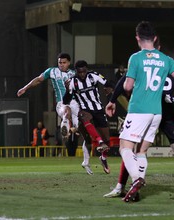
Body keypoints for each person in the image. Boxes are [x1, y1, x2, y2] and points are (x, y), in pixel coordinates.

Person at [106, 22, 174, 202]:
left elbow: (127, 85)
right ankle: (135, 189)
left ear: (137, 38)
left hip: (138, 110)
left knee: (125, 148)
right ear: (155, 38)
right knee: (142, 151)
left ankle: (137, 180)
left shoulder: (136, 58)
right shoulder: (167, 60)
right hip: (156, 113)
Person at [17, 52, 80, 152]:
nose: (61, 65)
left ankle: (71, 130)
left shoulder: (74, 73)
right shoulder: (52, 71)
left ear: (69, 63)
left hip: (75, 103)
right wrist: (25, 88)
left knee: (81, 124)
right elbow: (38, 79)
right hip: (62, 103)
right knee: (67, 111)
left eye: (64, 62)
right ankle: (64, 127)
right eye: (60, 62)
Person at [63, 60, 114, 174]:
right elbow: (65, 101)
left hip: (98, 109)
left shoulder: (93, 75)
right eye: (79, 72)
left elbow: (108, 84)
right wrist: (67, 91)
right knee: (84, 117)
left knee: (108, 140)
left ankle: (103, 158)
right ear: (76, 71)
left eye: (84, 71)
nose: (82, 74)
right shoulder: (72, 82)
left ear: (87, 69)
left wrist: (110, 91)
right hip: (85, 109)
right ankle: (100, 142)